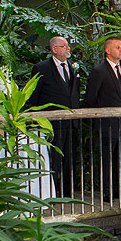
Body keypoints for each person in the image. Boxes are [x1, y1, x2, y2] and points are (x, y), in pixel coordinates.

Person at [27, 36, 81, 198]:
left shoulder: (73, 67)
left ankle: (67, 191)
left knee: (69, 158)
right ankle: (52, 192)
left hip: (71, 122)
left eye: (68, 46)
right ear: (54, 49)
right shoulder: (42, 68)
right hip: (52, 122)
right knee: (54, 159)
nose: (68, 48)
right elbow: (34, 95)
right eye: (64, 46)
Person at [84, 37, 121, 200]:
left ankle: (118, 188)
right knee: (106, 157)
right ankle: (106, 190)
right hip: (106, 122)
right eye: (117, 47)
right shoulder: (99, 71)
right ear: (108, 50)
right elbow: (91, 97)